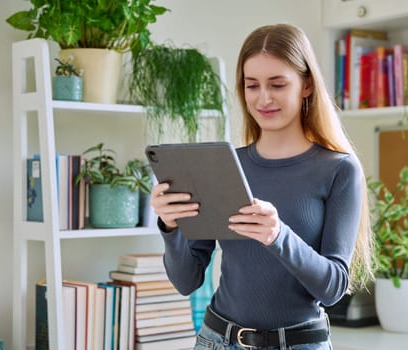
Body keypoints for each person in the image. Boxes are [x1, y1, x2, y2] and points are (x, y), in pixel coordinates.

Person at [150, 23, 374, 350]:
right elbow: (187, 281)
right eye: (252, 85)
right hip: (217, 340)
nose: (263, 98)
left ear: (307, 85)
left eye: (278, 84)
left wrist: (278, 236)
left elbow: (333, 288)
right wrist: (170, 227)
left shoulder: (339, 169)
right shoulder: (224, 165)